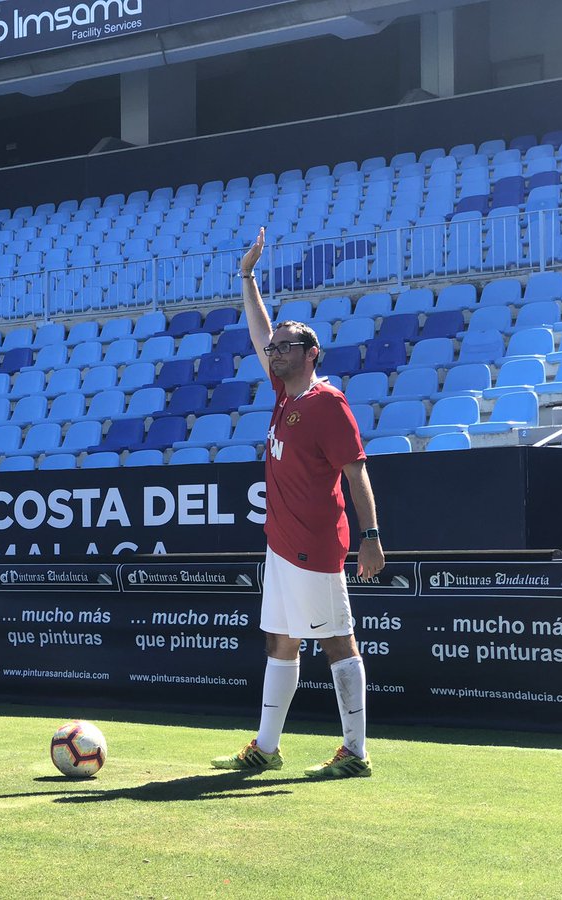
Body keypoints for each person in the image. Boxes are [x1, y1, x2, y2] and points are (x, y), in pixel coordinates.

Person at [212, 227, 385, 779]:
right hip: (281, 545)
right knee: (280, 640)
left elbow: (357, 472)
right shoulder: (286, 395)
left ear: (312, 354)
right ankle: (267, 747)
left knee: (337, 640)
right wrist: (247, 277)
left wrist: (371, 537)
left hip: (315, 546)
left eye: (286, 346)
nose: (274, 350)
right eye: (273, 347)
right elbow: (258, 327)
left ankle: (355, 753)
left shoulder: (326, 403)